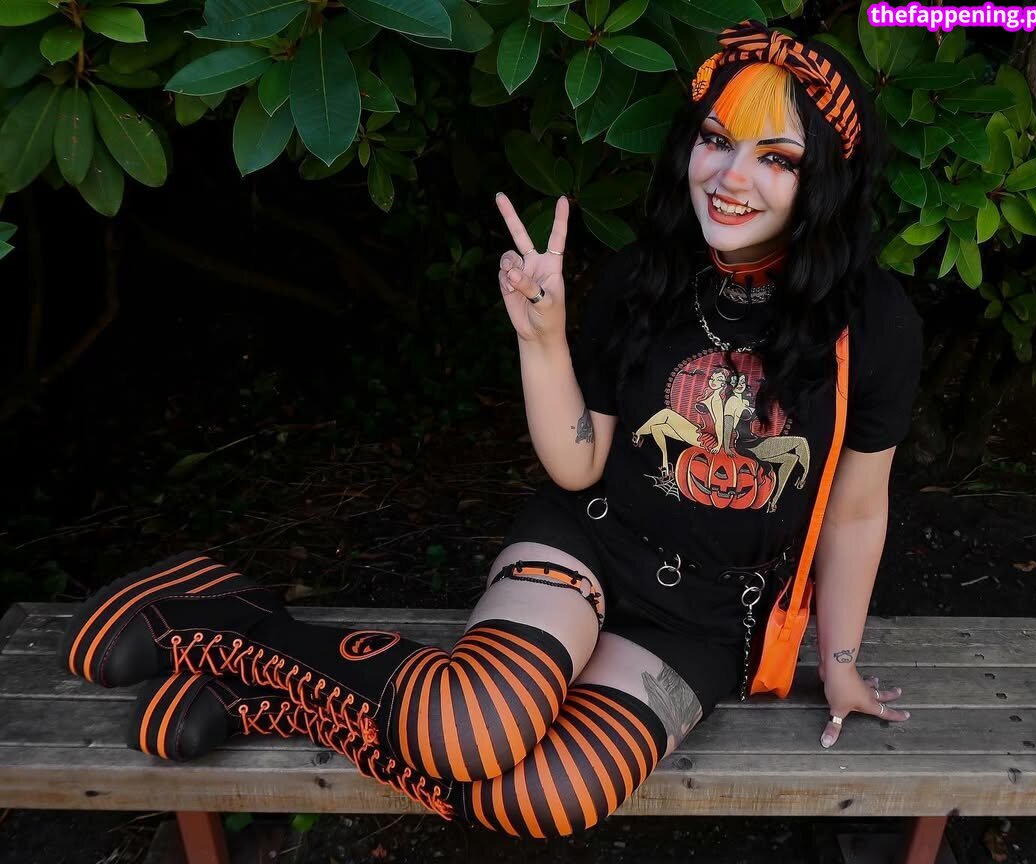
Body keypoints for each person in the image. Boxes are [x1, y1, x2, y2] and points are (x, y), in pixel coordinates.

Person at [58, 19, 922, 838]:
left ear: (826, 180)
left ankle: (267, 693)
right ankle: (229, 621)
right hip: (589, 546)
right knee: (468, 726)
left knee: (551, 795)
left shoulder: (873, 324)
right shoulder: (646, 278)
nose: (731, 177)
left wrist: (839, 662)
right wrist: (542, 339)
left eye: (776, 158)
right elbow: (578, 467)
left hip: (703, 621)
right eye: (715, 140)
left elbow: (854, 512)